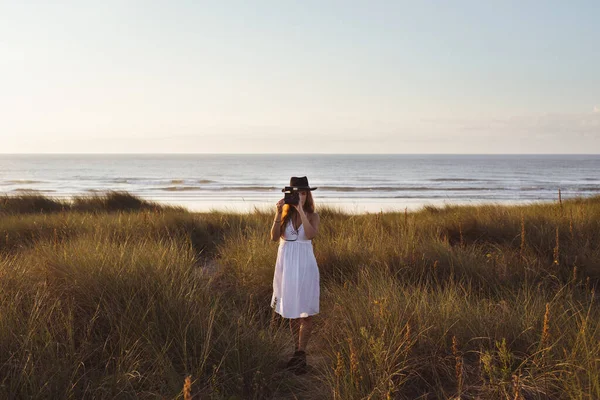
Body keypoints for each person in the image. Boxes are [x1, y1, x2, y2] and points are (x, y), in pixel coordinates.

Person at [270, 176, 320, 375]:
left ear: (308, 195)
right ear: (289, 194)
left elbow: (310, 235)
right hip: (287, 267)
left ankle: (302, 352)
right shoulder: (284, 215)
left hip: (306, 266)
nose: (300, 196)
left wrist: (300, 210)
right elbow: (274, 237)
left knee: (306, 312)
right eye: (297, 193)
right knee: (291, 312)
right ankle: (296, 353)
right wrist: (277, 212)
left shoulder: (313, 215)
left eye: (304, 192)